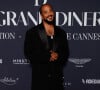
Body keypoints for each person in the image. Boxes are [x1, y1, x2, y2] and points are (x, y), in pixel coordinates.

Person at [24, 3, 69, 90]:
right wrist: (47, 56)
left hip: (57, 81)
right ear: (41, 16)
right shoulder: (32, 33)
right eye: (46, 12)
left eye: (51, 11)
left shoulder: (61, 33)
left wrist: (57, 55)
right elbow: (29, 53)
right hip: (40, 81)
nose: (49, 14)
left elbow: (66, 53)